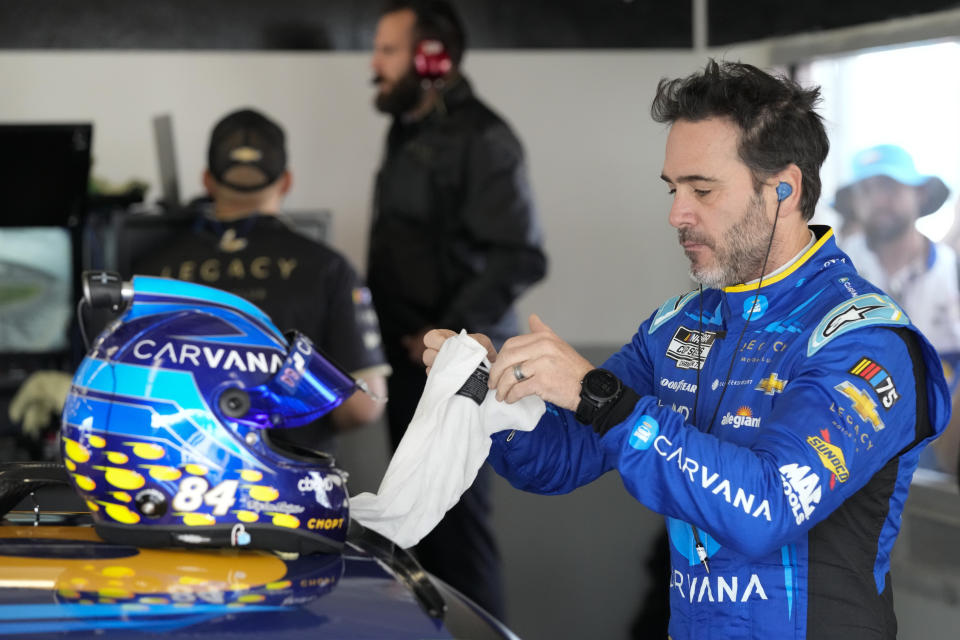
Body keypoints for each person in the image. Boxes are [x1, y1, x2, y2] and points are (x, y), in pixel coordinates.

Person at [423, 60, 950, 640]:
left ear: (784, 188)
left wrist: (601, 398)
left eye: (702, 188)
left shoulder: (866, 338)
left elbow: (768, 507)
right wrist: (481, 389)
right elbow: (556, 459)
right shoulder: (679, 327)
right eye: (674, 189)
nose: (677, 213)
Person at [366, 0, 546, 619]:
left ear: (431, 58)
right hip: (408, 364)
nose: (375, 64)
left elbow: (521, 256)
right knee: (413, 529)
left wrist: (444, 336)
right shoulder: (406, 130)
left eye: (388, 51)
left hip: (455, 365)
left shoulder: (484, 138)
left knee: (457, 533)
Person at [133, 108, 389, 452]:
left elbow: (125, 395)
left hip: (174, 475)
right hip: (289, 481)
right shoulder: (329, 267)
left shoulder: (151, 273)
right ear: (286, 181)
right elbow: (363, 406)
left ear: (207, 180)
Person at [832, 144, 960, 475]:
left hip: (935, 454)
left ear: (920, 195)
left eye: (890, 186)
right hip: (846, 452)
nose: (878, 198)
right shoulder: (830, 274)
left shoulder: (951, 272)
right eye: (867, 189)